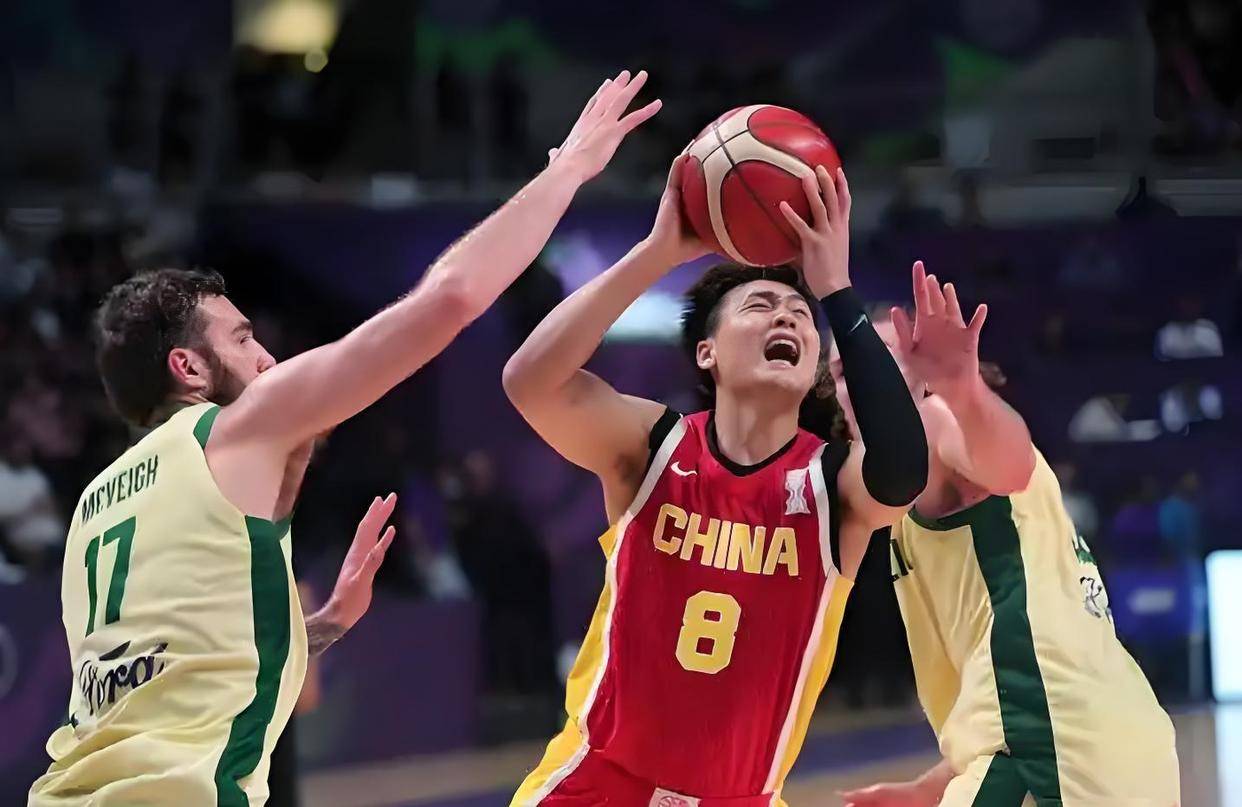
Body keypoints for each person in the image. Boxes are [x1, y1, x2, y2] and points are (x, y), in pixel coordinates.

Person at [28, 69, 662, 806]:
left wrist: (320, 627)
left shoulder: (95, 505)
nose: (267, 359)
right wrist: (567, 170)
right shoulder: (232, 428)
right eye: (243, 340)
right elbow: (449, 299)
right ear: (188, 367)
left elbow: (164, 678)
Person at [503, 158, 928, 805]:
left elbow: (901, 475)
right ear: (708, 352)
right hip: (599, 781)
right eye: (760, 305)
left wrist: (837, 292)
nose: (788, 318)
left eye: (801, 314)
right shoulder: (652, 446)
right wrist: (656, 254)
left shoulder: (831, 483)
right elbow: (530, 382)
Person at [840, 263, 1179, 807]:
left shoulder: (936, 420)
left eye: (882, 358)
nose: (860, 375)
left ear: (922, 374)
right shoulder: (897, 494)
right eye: (842, 367)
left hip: (1053, 742)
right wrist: (933, 786)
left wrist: (961, 389)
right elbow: (999, 677)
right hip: (1088, 731)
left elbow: (1009, 469)